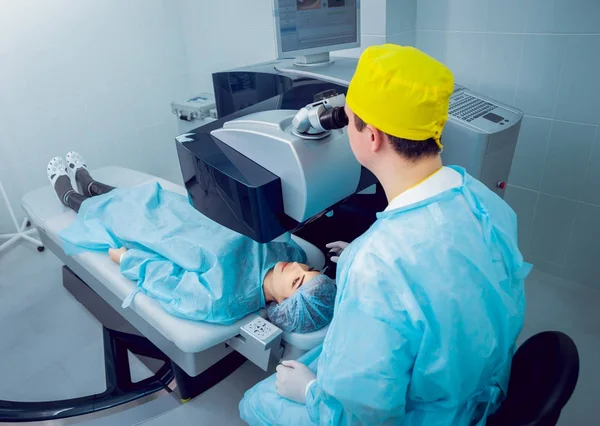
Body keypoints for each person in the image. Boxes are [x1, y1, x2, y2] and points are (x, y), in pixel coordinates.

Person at [239, 44, 530, 425]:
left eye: (349, 120)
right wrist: (365, 250)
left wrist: (311, 391)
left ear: (371, 137)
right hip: (479, 393)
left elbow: (365, 415)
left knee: (255, 401)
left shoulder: (378, 264)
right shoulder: (485, 202)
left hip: (428, 417)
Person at [46, 152, 336, 333]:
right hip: (187, 212)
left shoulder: (222, 300)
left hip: (158, 235)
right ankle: (92, 183)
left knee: (119, 211)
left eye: (297, 281)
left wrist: (127, 260)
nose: (296, 267)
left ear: (285, 304)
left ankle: (72, 197)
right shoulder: (290, 250)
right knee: (142, 196)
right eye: (305, 269)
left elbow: (171, 285)